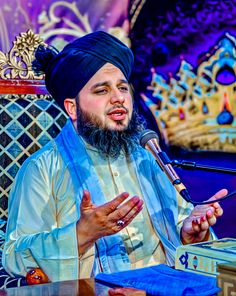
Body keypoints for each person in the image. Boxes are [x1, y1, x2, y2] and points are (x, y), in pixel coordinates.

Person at [2, 31, 227, 283]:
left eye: (122, 87)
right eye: (102, 90)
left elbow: (179, 228)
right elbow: (13, 256)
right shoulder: (43, 169)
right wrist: (80, 233)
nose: (119, 97)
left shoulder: (147, 156)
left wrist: (190, 235)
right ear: (72, 108)